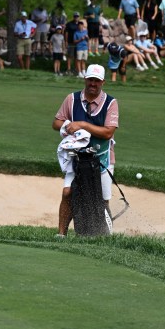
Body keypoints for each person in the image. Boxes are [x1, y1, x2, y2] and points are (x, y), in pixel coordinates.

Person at [52, 64, 119, 237]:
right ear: (85, 79)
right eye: (90, 79)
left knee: (103, 200)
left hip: (102, 159)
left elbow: (108, 132)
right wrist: (68, 126)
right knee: (68, 192)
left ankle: (105, 235)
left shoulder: (111, 103)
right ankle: (61, 235)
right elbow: (56, 123)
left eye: (97, 81)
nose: (93, 84)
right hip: (77, 158)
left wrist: (82, 125)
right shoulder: (72, 99)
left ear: (103, 82)